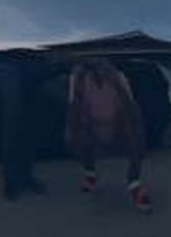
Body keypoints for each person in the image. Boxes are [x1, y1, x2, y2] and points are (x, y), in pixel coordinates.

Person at [65, 55, 152, 209]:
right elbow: (74, 107)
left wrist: (131, 129)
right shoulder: (78, 77)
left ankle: (134, 183)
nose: (98, 64)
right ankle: (90, 173)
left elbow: (131, 107)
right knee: (74, 140)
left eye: (101, 61)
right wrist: (74, 130)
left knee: (137, 139)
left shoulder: (118, 76)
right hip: (92, 124)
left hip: (117, 123)